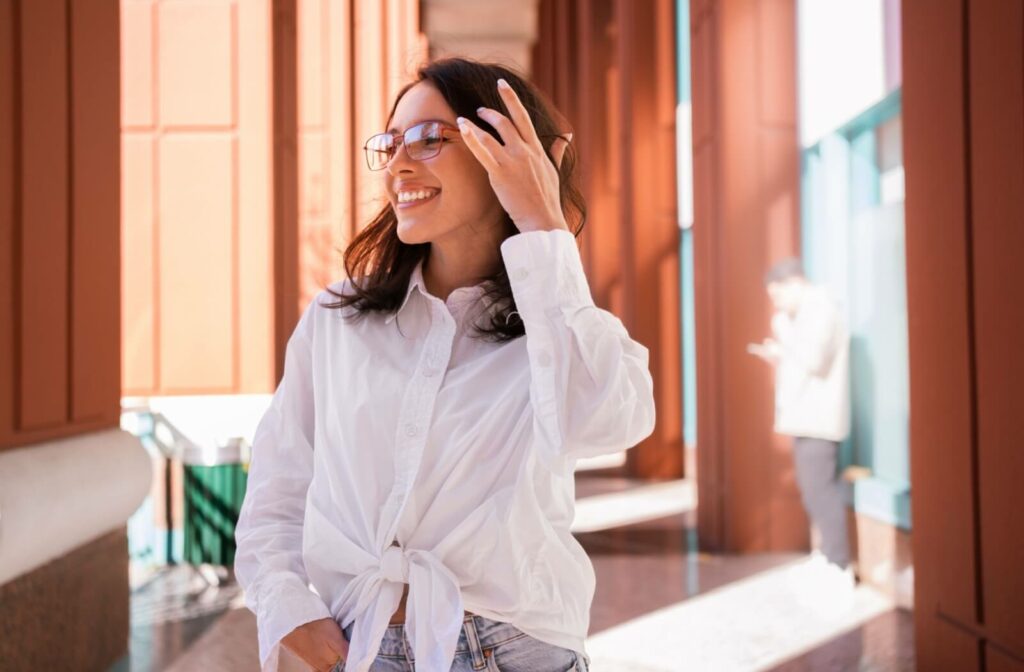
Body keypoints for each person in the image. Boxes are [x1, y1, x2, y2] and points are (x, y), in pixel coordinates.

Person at [234, 57, 656, 672]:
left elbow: (602, 423)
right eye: (391, 143)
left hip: (516, 650)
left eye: (430, 139)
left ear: (506, 152)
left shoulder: (557, 325)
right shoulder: (336, 320)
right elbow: (278, 481)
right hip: (363, 642)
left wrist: (543, 224)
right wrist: (286, 607)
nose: (400, 164)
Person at [748, 258, 854, 587]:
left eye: (778, 295)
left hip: (819, 420)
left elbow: (814, 359)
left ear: (795, 283)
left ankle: (839, 564)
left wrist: (783, 335)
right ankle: (826, 556)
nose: (777, 304)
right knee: (812, 491)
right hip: (807, 418)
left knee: (821, 491)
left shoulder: (820, 309)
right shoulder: (804, 314)